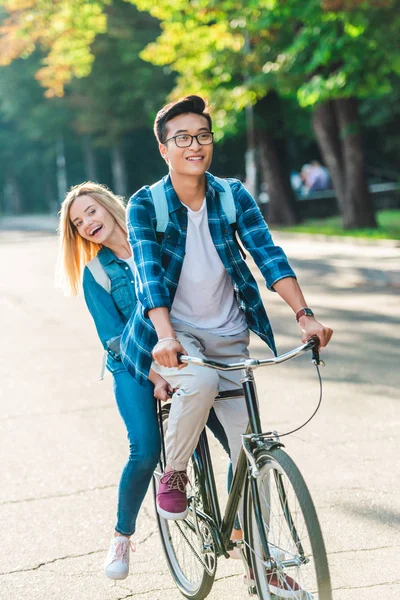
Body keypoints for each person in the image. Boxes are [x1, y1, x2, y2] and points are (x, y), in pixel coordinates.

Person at [121, 96, 333, 596]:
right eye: (183, 138)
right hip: (176, 334)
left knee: (251, 463)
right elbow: (150, 279)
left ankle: (264, 569)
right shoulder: (145, 204)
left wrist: (304, 314)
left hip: (230, 331)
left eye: (203, 135)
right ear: (163, 148)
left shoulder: (232, 195)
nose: (195, 145)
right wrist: (166, 339)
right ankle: (174, 473)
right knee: (199, 379)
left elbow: (268, 255)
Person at [56, 181, 232, 581]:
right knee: (145, 448)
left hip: (182, 347)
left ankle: (240, 530)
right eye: (78, 223)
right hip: (132, 363)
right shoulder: (96, 271)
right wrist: (154, 376)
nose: (87, 224)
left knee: (230, 432)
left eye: (91, 212)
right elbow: (114, 338)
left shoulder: (156, 241)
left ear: (109, 207)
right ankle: (122, 535)